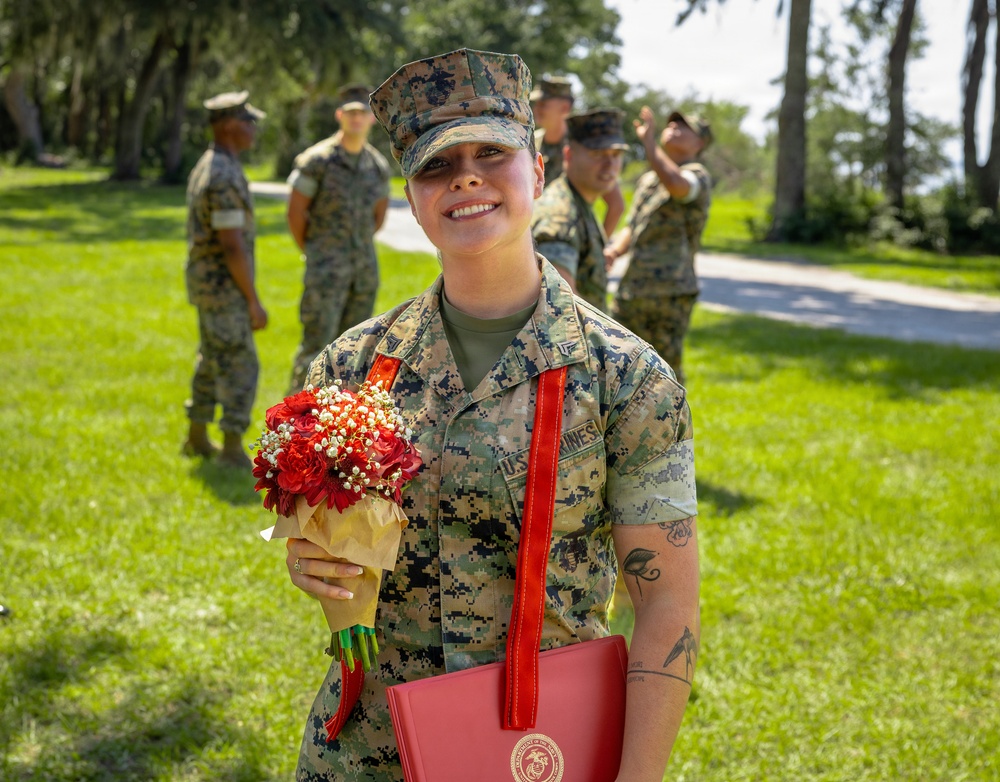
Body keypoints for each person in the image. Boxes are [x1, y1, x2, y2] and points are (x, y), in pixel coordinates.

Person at [285, 49, 700, 782]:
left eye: (491, 154)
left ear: (537, 171)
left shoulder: (627, 378)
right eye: (437, 166)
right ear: (411, 196)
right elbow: (325, 539)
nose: (466, 178)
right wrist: (311, 558)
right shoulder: (351, 366)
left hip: (538, 752)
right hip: (367, 752)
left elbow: (665, 601)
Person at [286, 84, 392, 393]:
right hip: (326, 271)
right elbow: (295, 213)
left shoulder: (377, 166)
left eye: (362, 113)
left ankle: (340, 416)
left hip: (363, 272)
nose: (356, 119)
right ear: (339, 116)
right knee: (316, 346)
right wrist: (317, 250)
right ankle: (294, 414)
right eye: (350, 113)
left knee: (355, 350)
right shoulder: (316, 161)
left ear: (371, 119)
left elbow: (378, 217)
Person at [182, 90, 267, 469]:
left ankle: (197, 436)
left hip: (209, 286)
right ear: (229, 125)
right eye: (248, 121)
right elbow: (231, 245)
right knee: (240, 364)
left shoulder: (212, 164)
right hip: (223, 288)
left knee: (212, 357)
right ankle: (232, 447)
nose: (253, 128)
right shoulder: (223, 175)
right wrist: (252, 300)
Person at [605, 107, 713, 387]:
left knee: (664, 375)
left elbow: (678, 186)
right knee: (617, 366)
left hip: (670, 293)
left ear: (700, 143)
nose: (674, 127)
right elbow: (633, 225)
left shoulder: (697, 175)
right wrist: (613, 251)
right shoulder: (650, 179)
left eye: (684, 126)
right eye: (672, 123)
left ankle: (670, 418)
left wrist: (649, 144)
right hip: (633, 289)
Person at [531, 108, 627, 312]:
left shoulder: (578, 201)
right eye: (597, 154)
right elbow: (561, 304)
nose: (610, 164)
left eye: (616, 154)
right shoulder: (560, 217)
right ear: (569, 155)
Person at [531, 75, 625, 237]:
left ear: (565, 108)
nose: (536, 109)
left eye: (543, 104)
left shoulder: (582, 148)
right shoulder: (530, 142)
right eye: (536, 104)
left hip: (567, 239)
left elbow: (616, 205)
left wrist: (596, 246)